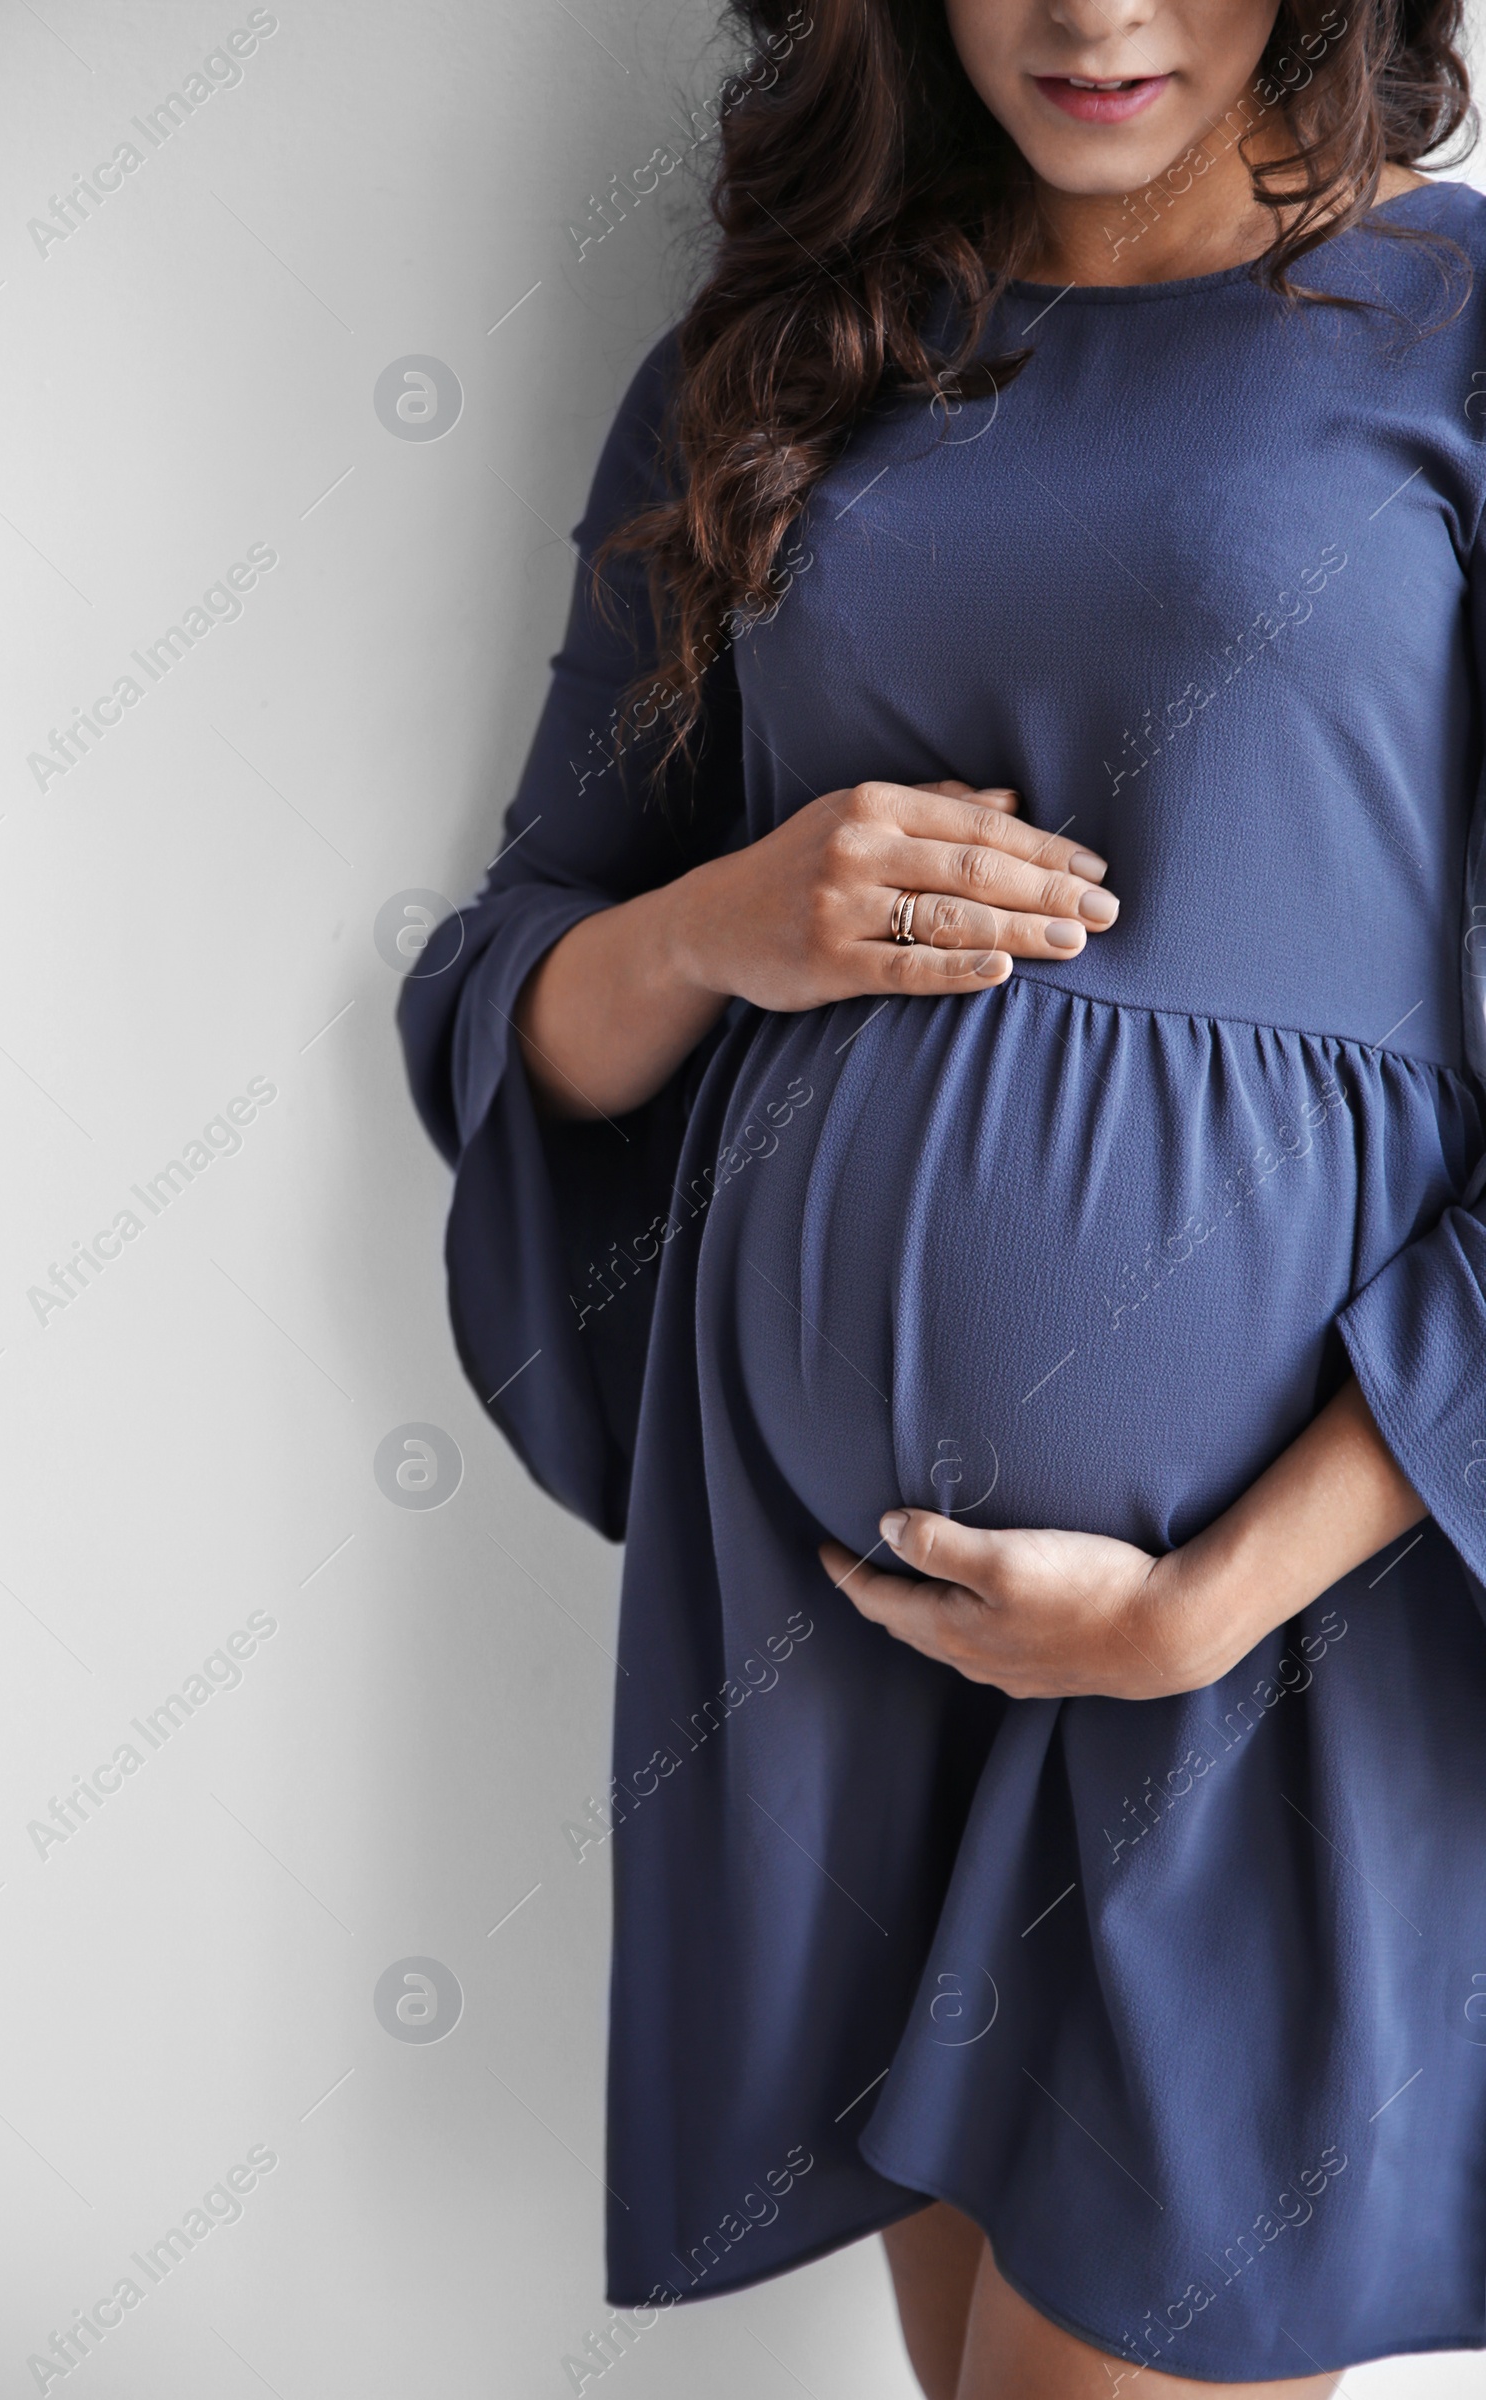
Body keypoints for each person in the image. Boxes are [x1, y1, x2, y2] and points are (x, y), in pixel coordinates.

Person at [399, 2, 1486, 2390]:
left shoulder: (1464, 330)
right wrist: (720, 924)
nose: (1090, 17)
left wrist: (1214, 1595)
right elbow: (508, 988)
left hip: (1277, 1635)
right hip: (841, 1643)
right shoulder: (782, 363)